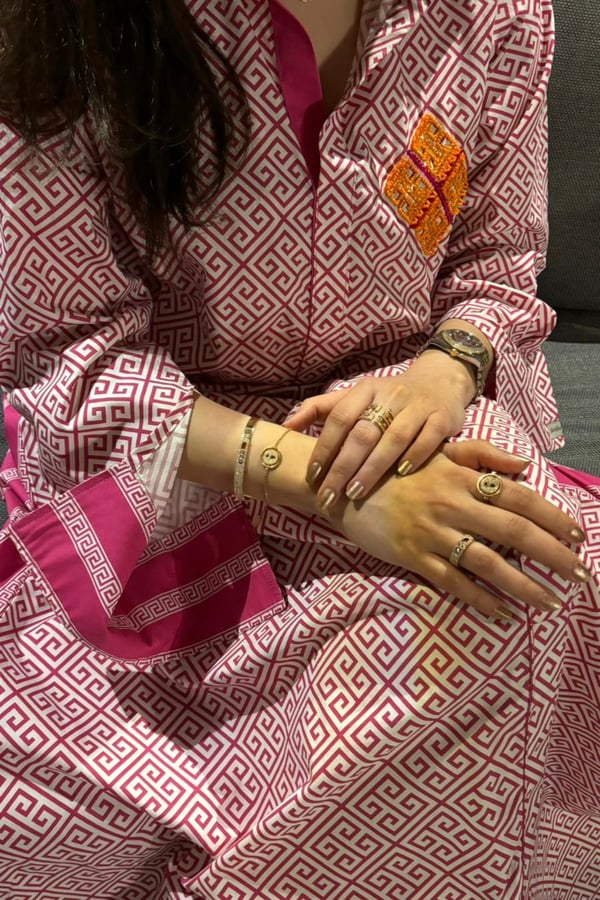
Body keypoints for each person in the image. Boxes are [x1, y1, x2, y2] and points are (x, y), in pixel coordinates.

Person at [0, 0, 598, 897]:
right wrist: (328, 484)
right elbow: (70, 358)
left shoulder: (494, 17)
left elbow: (496, 265)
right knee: (45, 817)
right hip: (162, 457)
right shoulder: (64, 30)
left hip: (397, 409)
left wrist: (445, 371)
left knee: (515, 581)